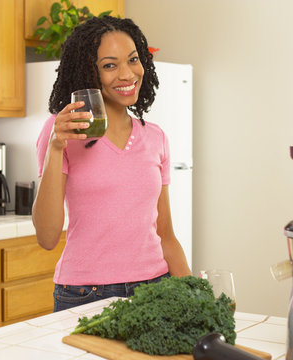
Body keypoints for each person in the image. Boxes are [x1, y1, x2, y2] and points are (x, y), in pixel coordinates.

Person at [32, 15, 191, 312]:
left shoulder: (155, 138)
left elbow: (166, 235)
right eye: (109, 65)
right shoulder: (60, 130)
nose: (127, 74)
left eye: (133, 60)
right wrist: (56, 147)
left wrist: (195, 298)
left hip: (155, 288)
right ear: (87, 73)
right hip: (84, 293)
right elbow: (47, 236)